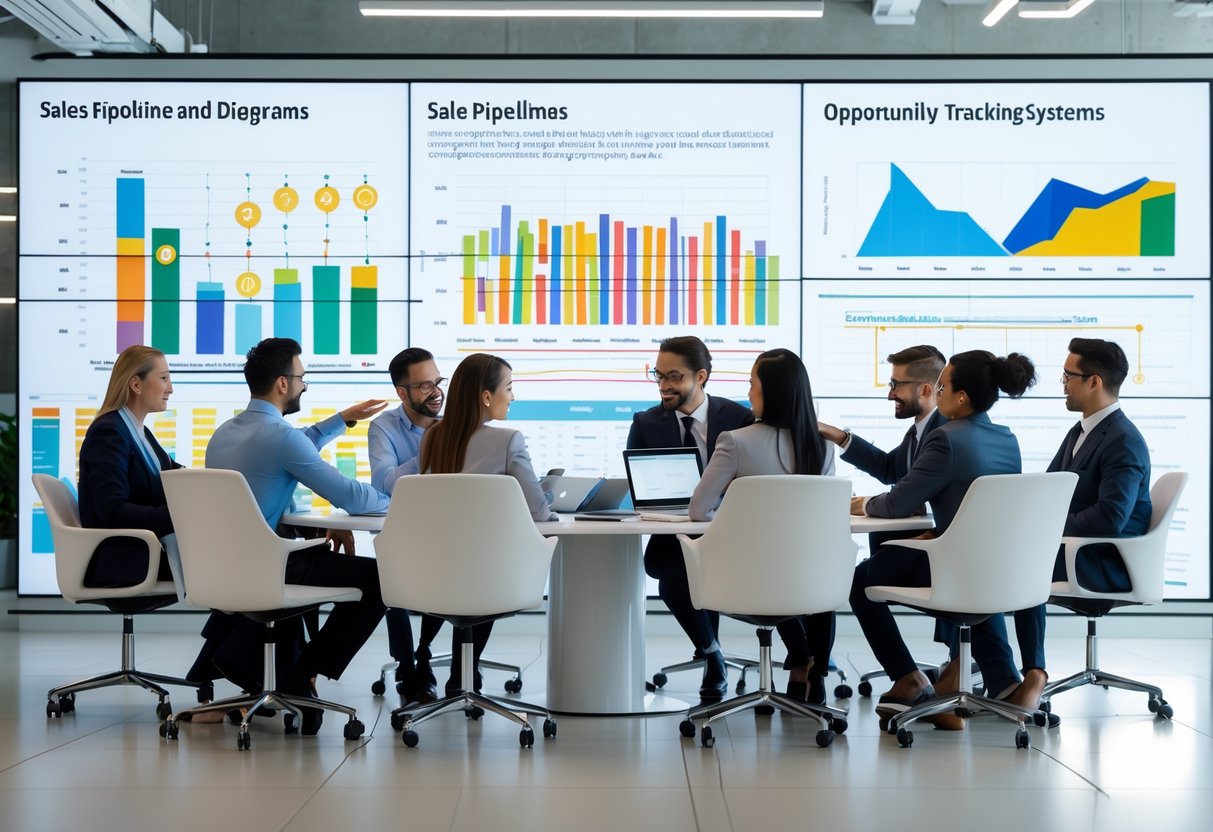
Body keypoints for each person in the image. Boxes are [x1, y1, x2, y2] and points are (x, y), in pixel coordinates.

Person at [204, 337, 391, 734]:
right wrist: (403, 498)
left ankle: (281, 674)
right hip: (270, 567)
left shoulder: (225, 432)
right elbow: (349, 496)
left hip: (226, 567)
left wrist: (342, 419)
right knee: (380, 580)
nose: (306, 386)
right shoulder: (281, 438)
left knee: (317, 557)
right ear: (283, 384)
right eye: (303, 378)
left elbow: (295, 444)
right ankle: (300, 673)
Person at [848, 350, 1037, 730]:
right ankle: (997, 682)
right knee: (962, 588)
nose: (938, 391)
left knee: (860, 583)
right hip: (997, 568)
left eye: (943, 386)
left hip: (955, 567)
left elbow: (898, 501)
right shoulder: (1007, 438)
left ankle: (909, 677)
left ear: (961, 396)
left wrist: (862, 503)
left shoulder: (945, 439)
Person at [77, 345, 231, 722]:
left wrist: (223, 485)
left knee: (238, 573)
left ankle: (221, 674)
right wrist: (182, 517)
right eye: (163, 378)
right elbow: (113, 511)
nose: (170, 388)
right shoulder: (110, 432)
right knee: (237, 574)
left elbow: (175, 476)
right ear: (134, 383)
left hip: (141, 552)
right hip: (123, 559)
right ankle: (220, 676)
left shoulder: (137, 434)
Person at [1008, 338, 1152, 711]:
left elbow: (1110, 518)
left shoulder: (1123, 440)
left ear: (1094, 382)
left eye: (1069, 376)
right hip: (1077, 548)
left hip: (1104, 560)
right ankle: (991, 672)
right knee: (991, 553)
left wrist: (1044, 531)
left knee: (1013, 564)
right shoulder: (1081, 431)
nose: (1064, 384)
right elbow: (1049, 489)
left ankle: (1032, 673)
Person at [688, 348, 836, 704]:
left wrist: (734, 524)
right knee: (798, 573)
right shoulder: (823, 446)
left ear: (771, 391)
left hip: (750, 578)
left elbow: (697, 510)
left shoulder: (735, 441)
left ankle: (801, 662)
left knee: (770, 564)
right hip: (812, 577)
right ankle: (813, 673)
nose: (749, 392)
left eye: (751, 383)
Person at [418, 352, 557, 695]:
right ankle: (464, 676)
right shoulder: (509, 439)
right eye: (508, 388)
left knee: (466, 574)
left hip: (433, 570)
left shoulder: (433, 436)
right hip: (490, 575)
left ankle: (461, 676)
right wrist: (553, 504)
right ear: (486, 396)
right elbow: (539, 513)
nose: (512, 396)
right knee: (482, 572)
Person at [627, 335, 754, 700]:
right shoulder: (646, 422)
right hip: (674, 532)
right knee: (672, 578)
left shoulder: (738, 417)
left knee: (695, 573)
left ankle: (712, 652)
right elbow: (639, 487)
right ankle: (714, 655)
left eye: (673, 377)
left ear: (701, 377)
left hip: (729, 529)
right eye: (658, 375)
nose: (664, 385)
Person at [368, 347, 447, 703]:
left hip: (451, 532)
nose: (435, 392)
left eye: (438, 382)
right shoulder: (384, 427)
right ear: (402, 392)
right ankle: (408, 665)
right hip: (405, 537)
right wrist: (431, 447)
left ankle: (428, 650)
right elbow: (385, 483)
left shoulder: (456, 424)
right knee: (393, 574)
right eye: (425, 385)